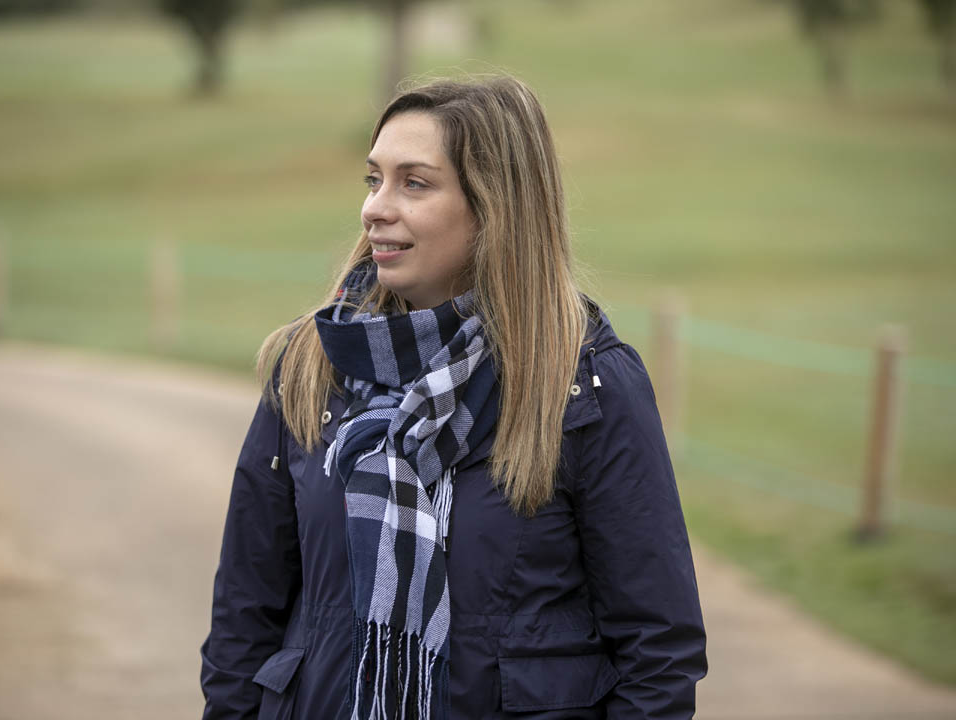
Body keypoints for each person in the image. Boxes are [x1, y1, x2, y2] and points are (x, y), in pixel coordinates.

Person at [200, 75, 707, 720]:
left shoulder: (583, 386)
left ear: (495, 208)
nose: (375, 208)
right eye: (373, 180)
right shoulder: (312, 364)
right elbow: (243, 620)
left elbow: (658, 652)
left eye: (414, 183)